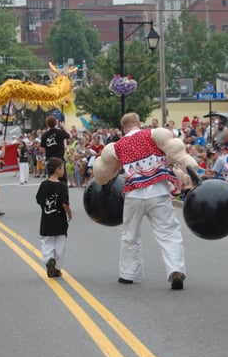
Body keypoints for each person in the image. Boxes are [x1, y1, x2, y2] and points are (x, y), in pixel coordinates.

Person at [93, 112, 198, 290]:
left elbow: (104, 173)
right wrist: (190, 169)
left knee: (130, 235)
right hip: (158, 191)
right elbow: (176, 151)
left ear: (123, 128)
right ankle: (175, 270)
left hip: (133, 194)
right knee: (168, 232)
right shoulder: (152, 134)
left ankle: (127, 274)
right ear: (138, 124)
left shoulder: (117, 146)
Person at [36, 157, 72, 278]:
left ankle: (49, 261)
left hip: (47, 219)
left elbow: (39, 200)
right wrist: (69, 213)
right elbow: (65, 204)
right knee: (60, 246)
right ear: (57, 170)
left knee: (47, 244)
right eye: (62, 168)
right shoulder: (62, 186)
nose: (63, 171)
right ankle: (56, 268)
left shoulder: (43, 184)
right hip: (60, 219)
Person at [40, 116, 70, 182]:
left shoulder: (45, 135)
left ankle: (53, 192)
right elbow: (68, 135)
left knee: (52, 178)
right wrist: (63, 126)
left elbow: (42, 148)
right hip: (59, 158)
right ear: (55, 123)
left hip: (50, 159)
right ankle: (62, 191)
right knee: (62, 179)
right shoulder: (60, 132)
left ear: (47, 124)